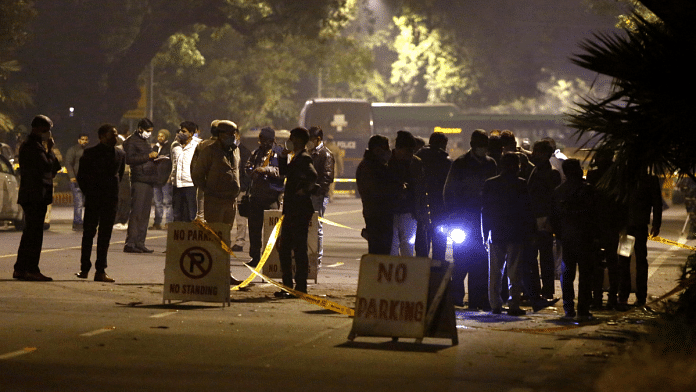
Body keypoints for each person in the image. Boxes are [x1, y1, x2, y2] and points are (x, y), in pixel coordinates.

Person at [443, 129, 497, 309]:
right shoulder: (460, 163)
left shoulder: (490, 164)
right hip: (464, 219)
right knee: (461, 261)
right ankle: (456, 298)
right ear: (473, 146)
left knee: (481, 262)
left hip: (483, 219)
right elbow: (449, 190)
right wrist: (453, 215)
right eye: (480, 147)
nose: (483, 150)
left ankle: (478, 300)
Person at [482, 152, 534, 316]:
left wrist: (485, 234)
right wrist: (530, 233)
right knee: (514, 272)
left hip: (496, 232)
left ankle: (495, 304)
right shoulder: (521, 184)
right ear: (516, 166)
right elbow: (527, 210)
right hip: (515, 233)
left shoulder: (490, 184)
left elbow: (485, 210)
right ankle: (513, 305)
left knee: (495, 271)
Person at [13, 115, 61, 281]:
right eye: (47, 130)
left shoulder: (36, 145)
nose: (49, 134)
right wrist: (49, 150)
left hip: (36, 194)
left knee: (30, 233)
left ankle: (20, 268)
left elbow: (55, 168)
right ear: (38, 128)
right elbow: (46, 166)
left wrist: (49, 152)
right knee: (34, 235)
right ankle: (31, 269)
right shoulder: (31, 146)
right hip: (34, 195)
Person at [75, 124, 125, 283]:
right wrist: (89, 192)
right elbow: (81, 176)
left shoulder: (120, 154)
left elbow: (120, 175)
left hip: (110, 199)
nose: (115, 138)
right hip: (94, 198)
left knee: (105, 236)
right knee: (88, 234)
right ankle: (84, 268)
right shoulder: (90, 153)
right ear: (102, 137)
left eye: (116, 135)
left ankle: (100, 270)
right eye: (112, 135)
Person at [551, 159, 597, 320]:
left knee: (567, 273)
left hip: (567, 238)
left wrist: (559, 234)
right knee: (585, 274)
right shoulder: (588, 189)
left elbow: (554, 218)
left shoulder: (558, 191)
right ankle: (583, 309)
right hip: (585, 237)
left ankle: (568, 308)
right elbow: (594, 215)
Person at [275, 127, 318, 297]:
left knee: (297, 248)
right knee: (286, 247)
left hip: (299, 210)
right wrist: (283, 157)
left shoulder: (304, 158)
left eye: (292, 138)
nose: (290, 140)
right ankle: (289, 286)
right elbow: (285, 173)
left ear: (299, 139)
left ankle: (299, 286)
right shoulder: (296, 157)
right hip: (293, 208)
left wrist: (304, 191)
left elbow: (313, 176)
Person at [617, 172, 662, 310]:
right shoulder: (649, 180)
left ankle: (624, 296)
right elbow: (657, 202)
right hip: (638, 226)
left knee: (626, 260)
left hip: (629, 227)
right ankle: (639, 296)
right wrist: (656, 224)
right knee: (640, 261)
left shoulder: (625, 177)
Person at [586, 150, 624, 310]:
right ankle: (612, 298)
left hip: (596, 225)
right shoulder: (618, 176)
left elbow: (589, 200)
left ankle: (597, 298)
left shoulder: (593, 175)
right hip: (612, 224)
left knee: (596, 263)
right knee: (613, 262)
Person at [243, 127, 285, 267]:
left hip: (272, 197)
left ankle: (272, 258)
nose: (264, 143)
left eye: (267, 140)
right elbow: (247, 167)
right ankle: (255, 257)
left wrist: (266, 170)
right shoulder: (256, 153)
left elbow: (283, 173)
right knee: (254, 230)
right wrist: (252, 172)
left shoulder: (280, 154)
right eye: (262, 140)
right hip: (256, 197)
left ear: (273, 140)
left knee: (272, 231)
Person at [527, 139, 562, 299]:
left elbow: (553, 200)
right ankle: (536, 290)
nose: (533, 154)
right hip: (535, 218)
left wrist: (549, 221)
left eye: (536, 151)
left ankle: (546, 290)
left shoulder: (550, 173)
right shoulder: (537, 170)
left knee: (545, 257)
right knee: (534, 257)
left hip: (543, 219)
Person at [356, 135, 399, 255]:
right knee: (379, 253)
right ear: (377, 150)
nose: (389, 152)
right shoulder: (370, 168)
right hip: (377, 216)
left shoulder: (376, 165)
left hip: (378, 215)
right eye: (387, 149)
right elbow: (377, 192)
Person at [388, 130, 427, 257]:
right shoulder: (387, 162)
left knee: (408, 247)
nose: (411, 154)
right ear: (399, 148)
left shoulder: (416, 162)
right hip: (391, 211)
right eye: (408, 150)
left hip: (409, 211)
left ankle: (406, 274)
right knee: (392, 248)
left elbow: (420, 189)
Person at [123, 118, 158, 253]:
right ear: (140, 129)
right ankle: (130, 243)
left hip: (148, 179)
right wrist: (148, 156)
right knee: (137, 212)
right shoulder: (131, 141)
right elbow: (129, 159)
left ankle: (140, 242)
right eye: (148, 131)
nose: (149, 133)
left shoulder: (143, 141)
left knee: (145, 213)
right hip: (139, 180)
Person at [415, 132, 451, 260]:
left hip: (420, 205)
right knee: (439, 243)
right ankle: (438, 271)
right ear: (443, 144)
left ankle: (421, 270)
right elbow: (448, 186)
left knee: (422, 242)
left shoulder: (417, 157)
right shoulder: (445, 161)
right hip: (439, 207)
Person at [308, 126, 335, 268]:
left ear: (318, 139)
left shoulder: (326, 154)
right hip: (309, 195)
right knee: (308, 227)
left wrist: (315, 190)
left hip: (318, 196)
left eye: (310, 139)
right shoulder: (310, 153)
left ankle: (317, 260)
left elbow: (327, 178)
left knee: (317, 228)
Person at [170, 121, 201, 222]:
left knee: (191, 214)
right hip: (176, 185)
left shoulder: (198, 145)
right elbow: (173, 162)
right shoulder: (174, 145)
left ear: (191, 133)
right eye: (180, 131)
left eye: (184, 131)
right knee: (177, 214)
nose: (181, 133)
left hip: (190, 184)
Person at [65, 133, 89, 231]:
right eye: (82, 139)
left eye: (85, 139)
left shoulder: (89, 151)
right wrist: (72, 177)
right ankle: (77, 222)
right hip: (76, 180)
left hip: (87, 181)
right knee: (78, 202)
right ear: (78, 140)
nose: (84, 141)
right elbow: (68, 163)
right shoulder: (73, 150)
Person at [231, 139, 252, 252]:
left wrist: (243, 186)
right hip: (228, 188)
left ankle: (239, 241)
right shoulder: (227, 149)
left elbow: (247, 172)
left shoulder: (244, 151)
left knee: (240, 218)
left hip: (239, 188)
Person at [150, 129, 172, 230]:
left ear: (166, 137)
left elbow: (173, 163)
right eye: (159, 136)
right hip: (156, 178)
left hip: (166, 179)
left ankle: (168, 223)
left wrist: (170, 177)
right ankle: (157, 223)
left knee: (167, 202)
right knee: (157, 202)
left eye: (162, 136)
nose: (160, 138)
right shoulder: (155, 147)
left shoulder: (170, 147)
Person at [324, 134, 343, 202]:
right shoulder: (336, 148)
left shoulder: (323, 147)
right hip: (333, 166)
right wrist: (341, 168)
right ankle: (330, 196)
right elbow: (339, 159)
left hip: (324, 166)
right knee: (332, 183)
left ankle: (325, 195)